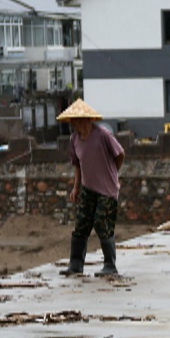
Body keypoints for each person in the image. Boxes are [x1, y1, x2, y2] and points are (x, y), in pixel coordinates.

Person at [57, 99, 125, 277]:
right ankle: (75, 265)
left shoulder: (102, 135)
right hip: (88, 188)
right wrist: (76, 188)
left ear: (88, 119)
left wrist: (113, 173)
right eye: (74, 122)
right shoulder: (74, 140)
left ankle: (110, 265)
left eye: (80, 121)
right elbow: (78, 165)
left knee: (102, 223)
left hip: (107, 189)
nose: (77, 125)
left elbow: (120, 154)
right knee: (81, 223)